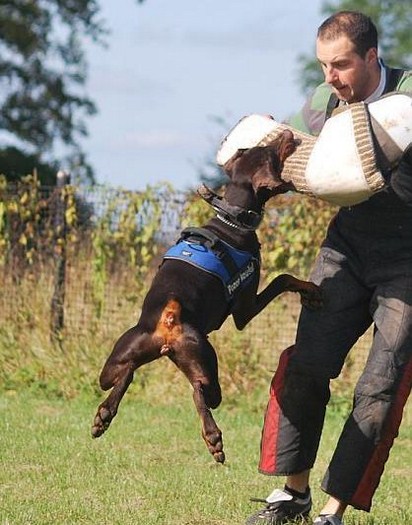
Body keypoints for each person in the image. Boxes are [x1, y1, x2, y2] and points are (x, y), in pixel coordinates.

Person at [245, 10, 412, 525]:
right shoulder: (325, 100)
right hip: (347, 249)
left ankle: (332, 512)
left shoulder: (408, 96)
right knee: (306, 365)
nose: (329, 77)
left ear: (371, 56)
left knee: (380, 386)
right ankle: (292, 494)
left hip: (408, 262)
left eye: (340, 65)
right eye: (323, 65)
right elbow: (290, 153)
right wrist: (262, 152)